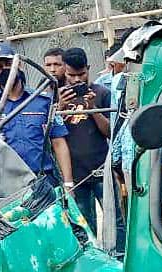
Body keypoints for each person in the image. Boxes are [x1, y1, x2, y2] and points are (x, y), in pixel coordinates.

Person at [0, 41, 72, 188]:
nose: (5, 70)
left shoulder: (43, 100)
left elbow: (58, 142)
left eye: (8, 63)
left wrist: (68, 183)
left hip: (43, 179)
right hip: (6, 184)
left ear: (18, 64)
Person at [57, 47, 111, 230]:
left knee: (116, 221)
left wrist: (93, 108)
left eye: (81, 74)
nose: (77, 80)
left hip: (102, 169)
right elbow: (51, 137)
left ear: (88, 68)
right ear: (64, 70)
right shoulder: (56, 97)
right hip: (75, 174)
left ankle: (120, 256)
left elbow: (110, 132)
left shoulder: (101, 93)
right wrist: (60, 108)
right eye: (72, 75)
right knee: (86, 225)